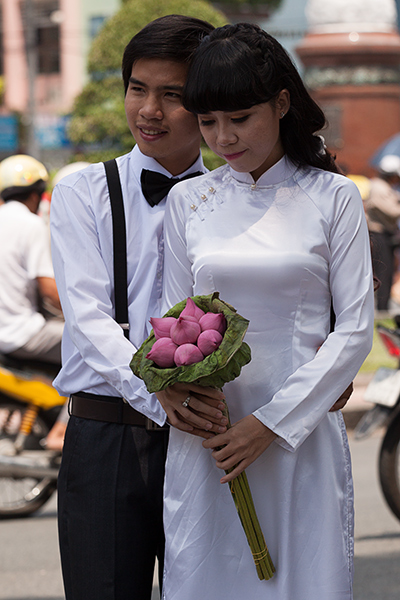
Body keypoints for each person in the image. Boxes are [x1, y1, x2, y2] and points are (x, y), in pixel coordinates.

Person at [157, 23, 375, 600]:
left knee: (301, 578)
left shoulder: (334, 197)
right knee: (205, 576)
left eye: (240, 118)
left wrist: (269, 425)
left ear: (281, 103)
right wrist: (175, 395)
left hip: (296, 430)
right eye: (208, 123)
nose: (223, 138)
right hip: (211, 435)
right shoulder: (189, 202)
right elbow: (172, 322)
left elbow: (354, 329)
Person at [50, 15, 229, 600]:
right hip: (109, 436)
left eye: (172, 94)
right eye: (137, 88)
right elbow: (87, 316)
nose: (148, 109)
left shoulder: (236, 199)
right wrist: (158, 390)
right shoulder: (84, 191)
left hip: (206, 440)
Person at [0, 154, 63, 364]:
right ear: (36, 195)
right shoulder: (31, 224)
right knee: (91, 344)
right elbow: (48, 290)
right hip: (20, 334)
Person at [364, 154, 400, 311]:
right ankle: (381, 310)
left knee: (386, 273)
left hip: (386, 235)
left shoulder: (384, 187)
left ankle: (382, 308)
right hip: (378, 235)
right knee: (382, 274)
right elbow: (391, 211)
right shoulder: (378, 187)